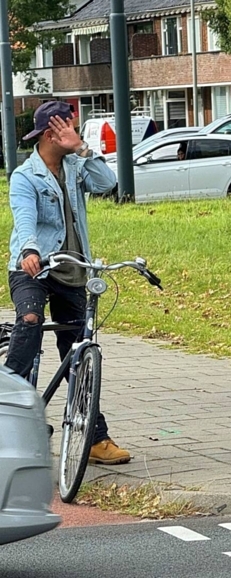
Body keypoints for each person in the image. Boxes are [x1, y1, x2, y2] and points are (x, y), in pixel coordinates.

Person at [5, 100, 131, 465]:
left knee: (78, 351)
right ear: (50, 134)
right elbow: (25, 217)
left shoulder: (76, 165)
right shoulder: (25, 175)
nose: (74, 134)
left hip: (73, 269)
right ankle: (12, 410)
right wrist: (29, 249)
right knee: (29, 322)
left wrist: (83, 149)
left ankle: (94, 437)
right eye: (69, 129)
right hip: (34, 268)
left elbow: (109, 183)